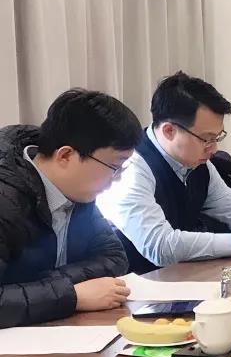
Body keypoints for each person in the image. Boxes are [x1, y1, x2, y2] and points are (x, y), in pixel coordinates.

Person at [97, 72, 231, 274]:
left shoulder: (198, 162)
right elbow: (160, 246)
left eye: (217, 138)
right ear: (169, 131)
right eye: (206, 139)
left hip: (185, 274)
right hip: (138, 283)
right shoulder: (130, 168)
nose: (213, 149)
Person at [0, 90, 141, 327]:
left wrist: (51, 286)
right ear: (65, 155)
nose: (117, 179)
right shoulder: (6, 200)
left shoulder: (79, 194)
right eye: (114, 167)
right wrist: (71, 295)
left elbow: (114, 257)